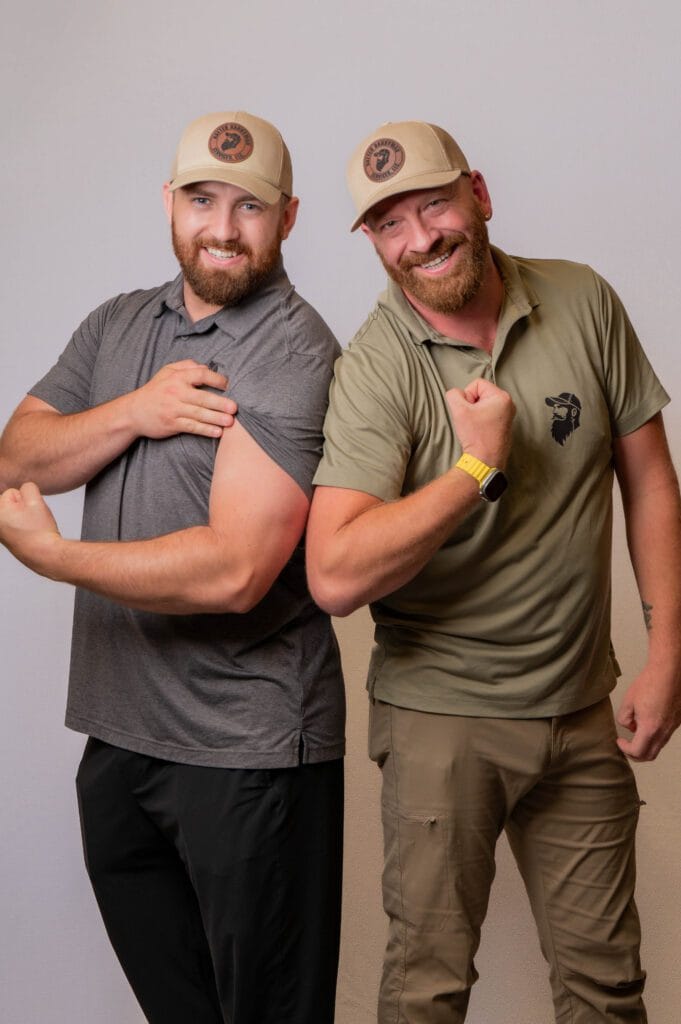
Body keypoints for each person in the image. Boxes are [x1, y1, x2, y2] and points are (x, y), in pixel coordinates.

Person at [306, 119, 681, 1023]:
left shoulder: (581, 298)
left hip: (579, 712)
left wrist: (668, 652)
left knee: (606, 990)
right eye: (388, 224)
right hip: (443, 722)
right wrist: (475, 466)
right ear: (371, 240)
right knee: (427, 994)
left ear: (477, 194)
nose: (419, 239)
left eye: (434, 205)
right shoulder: (377, 366)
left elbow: (648, 482)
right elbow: (335, 575)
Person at [0, 110, 345, 1024]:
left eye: (250, 206)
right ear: (168, 202)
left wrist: (58, 557)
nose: (222, 228)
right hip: (118, 739)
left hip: (246, 752)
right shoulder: (119, 324)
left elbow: (235, 571)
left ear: (289, 216)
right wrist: (133, 410)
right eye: (201, 200)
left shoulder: (295, 351)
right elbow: (15, 459)